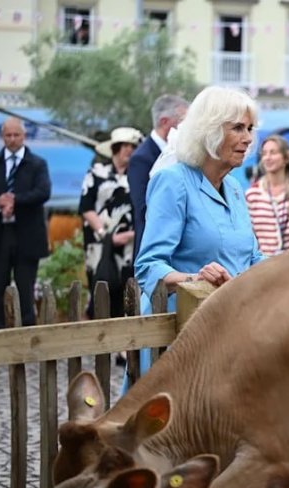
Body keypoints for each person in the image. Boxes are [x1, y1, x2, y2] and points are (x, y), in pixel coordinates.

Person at [134, 86, 265, 377]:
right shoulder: (173, 182)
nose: (248, 138)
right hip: (180, 332)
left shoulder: (234, 187)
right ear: (210, 131)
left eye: (250, 128)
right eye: (238, 128)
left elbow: (252, 257)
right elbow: (148, 267)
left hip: (228, 328)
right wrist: (194, 280)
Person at [0, 117, 51, 329]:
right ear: (2, 137)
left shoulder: (37, 164)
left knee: (26, 289)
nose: (12, 139)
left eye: (16, 135)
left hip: (27, 236)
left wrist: (15, 200)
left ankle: (28, 333)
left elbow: (43, 192)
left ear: (24, 136)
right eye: (8, 135)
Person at [79, 126, 142, 325]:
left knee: (128, 296)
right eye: (124, 146)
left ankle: (124, 352)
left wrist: (132, 234)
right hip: (100, 246)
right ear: (114, 148)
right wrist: (105, 235)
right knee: (101, 294)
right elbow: (86, 207)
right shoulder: (96, 173)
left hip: (131, 246)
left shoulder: (141, 176)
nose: (128, 150)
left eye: (132, 146)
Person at [128, 94, 189, 266]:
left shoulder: (184, 155)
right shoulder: (142, 158)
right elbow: (143, 208)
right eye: (183, 120)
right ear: (164, 122)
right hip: (154, 253)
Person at [245, 135, 289, 256]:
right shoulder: (252, 194)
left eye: (273, 152)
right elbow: (248, 237)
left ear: (286, 158)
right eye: (264, 153)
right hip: (263, 266)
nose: (268, 158)